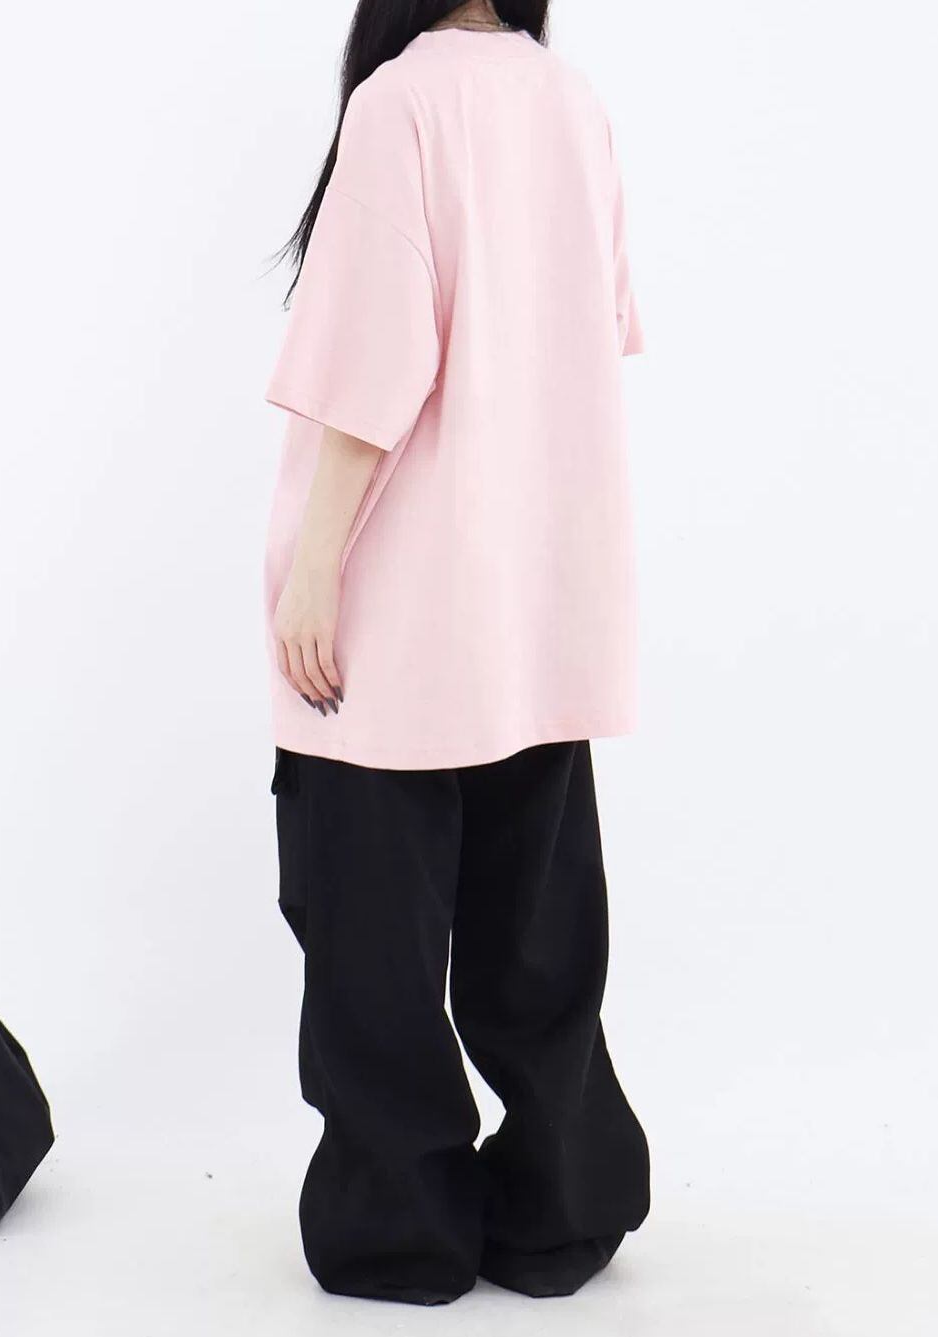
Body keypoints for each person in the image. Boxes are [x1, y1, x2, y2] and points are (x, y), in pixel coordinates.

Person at [262, 0, 649, 1306]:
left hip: (402, 611)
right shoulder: (569, 102)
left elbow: (371, 371)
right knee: (535, 936)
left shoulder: (401, 105)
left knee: (368, 940)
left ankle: (402, 1232)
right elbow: (594, 331)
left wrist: (316, 568)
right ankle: (558, 1212)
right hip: (537, 606)